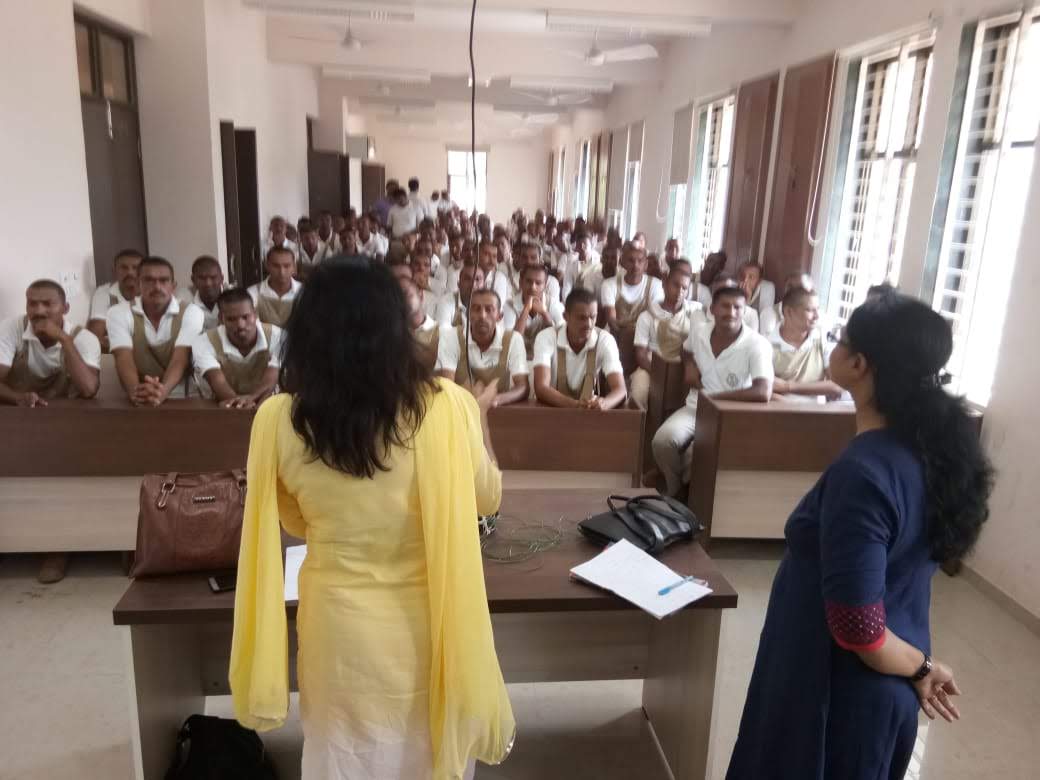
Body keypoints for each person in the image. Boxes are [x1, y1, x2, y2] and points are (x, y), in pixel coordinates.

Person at [230, 258, 515, 779]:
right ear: (396, 330)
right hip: (429, 627)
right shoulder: (448, 408)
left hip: (338, 635)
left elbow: (294, 520)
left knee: (344, 758)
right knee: (426, 754)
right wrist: (482, 420)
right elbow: (487, 499)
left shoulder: (278, 420)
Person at [726, 294, 993, 779]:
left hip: (836, 692)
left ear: (858, 364)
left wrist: (922, 668)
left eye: (840, 338)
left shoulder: (865, 473)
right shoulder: (931, 451)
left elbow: (857, 627)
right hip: (878, 676)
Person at [0, 281, 103, 583]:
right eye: (32, 304)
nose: (39, 311)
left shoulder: (83, 338)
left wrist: (64, 341)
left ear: (65, 308)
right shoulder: (11, 329)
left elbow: (88, 389)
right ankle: (16, 543)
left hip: (68, 426)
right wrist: (18, 398)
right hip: (21, 420)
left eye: (48, 304)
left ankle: (57, 549)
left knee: (62, 477)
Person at [652, 285, 773, 498]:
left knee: (697, 454)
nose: (732, 313)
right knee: (662, 442)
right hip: (694, 407)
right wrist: (689, 367)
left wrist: (715, 397)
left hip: (731, 416)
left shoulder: (757, 344)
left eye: (738, 307)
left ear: (745, 311)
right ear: (713, 309)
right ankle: (676, 489)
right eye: (725, 306)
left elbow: (763, 392)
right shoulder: (700, 331)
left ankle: (692, 496)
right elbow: (686, 350)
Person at [107, 256, 205, 405]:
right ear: (138, 284)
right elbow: (123, 358)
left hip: (184, 396)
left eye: (164, 280)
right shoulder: (118, 312)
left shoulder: (191, 312)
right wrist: (137, 393)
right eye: (149, 280)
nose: (157, 287)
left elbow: (181, 358)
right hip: (139, 396)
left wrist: (161, 393)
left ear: (173, 286)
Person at [532, 288, 627, 410]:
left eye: (593, 317)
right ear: (565, 316)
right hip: (550, 410)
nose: (588, 324)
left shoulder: (605, 340)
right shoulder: (546, 337)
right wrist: (575, 405)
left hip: (587, 413)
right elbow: (541, 388)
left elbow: (620, 389)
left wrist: (604, 403)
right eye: (582, 318)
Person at [436, 288, 529, 407]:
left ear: (499, 316)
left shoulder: (513, 339)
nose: (482, 316)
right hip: (460, 408)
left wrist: (496, 399)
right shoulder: (451, 337)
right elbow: (447, 385)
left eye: (489, 310)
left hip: (498, 410)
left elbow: (523, 387)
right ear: (468, 314)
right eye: (476, 309)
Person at [192, 289, 282, 408]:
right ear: (221, 318)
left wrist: (248, 402)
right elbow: (218, 383)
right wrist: (243, 404)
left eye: (245, 317)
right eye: (231, 319)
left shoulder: (278, 336)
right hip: (223, 408)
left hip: (266, 406)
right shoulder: (204, 341)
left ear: (255, 314)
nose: (240, 325)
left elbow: (271, 378)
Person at [629, 267, 699, 410]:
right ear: (665, 283)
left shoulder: (696, 314)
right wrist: (659, 372)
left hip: (685, 367)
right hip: (652, 365)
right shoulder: (647, 316)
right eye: (675, 285)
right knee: (638, 391)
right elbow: (641, 355)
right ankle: (641, 430)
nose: (680, 291)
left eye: (684, 288)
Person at [770, 287, 844, 401]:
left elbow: (837, 385)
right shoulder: (767, 344)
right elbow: (764, 389)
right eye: (810, 310)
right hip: (779, 413)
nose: (817, 316)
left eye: (817, 309)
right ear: (788, 312)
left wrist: (787, 386)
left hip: (816, 413)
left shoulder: (823, 338)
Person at [502, 263, 565, 361]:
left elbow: (561, 337)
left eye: (538, 283)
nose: (533, 287)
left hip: (545, 359)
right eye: (528, 281)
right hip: (518, 359)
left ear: (544, 286)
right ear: (521, 282)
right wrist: (526, 309)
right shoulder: (509, 304)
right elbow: (511, 342)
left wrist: (544, 313)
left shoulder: (552, 303)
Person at [600, 243, 665, 334]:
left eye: (640, 261)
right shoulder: (609, 284)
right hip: (615, 335)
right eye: (631, 260)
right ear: (622, 263)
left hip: (644, 336)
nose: (635, 265)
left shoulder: (656, 285)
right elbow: (612, 321)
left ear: (646, 264)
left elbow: (655, 318)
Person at [87, 249, 142, 352]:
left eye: (135, 268)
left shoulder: (153, 292)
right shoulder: (103, 292)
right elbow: (95, 337)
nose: (130, 272)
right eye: (124, 268)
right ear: (114, 271)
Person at [248, 247, 301, 328]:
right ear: (267, 265)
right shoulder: (253, 293)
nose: (281, 272)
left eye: (286, 266)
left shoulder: (304, 292)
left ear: (294, 267)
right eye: (276, 266)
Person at [401, 278, 441, 371]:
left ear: (420, 296)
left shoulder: (441, 333)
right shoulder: (394, 335)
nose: (401, 300)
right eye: (397, 297)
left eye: (405, 294)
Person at [175, 255, 224, 330]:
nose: (208, 283)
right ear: (193, 280)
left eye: (213, 277)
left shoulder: (234, 298)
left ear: (222, 278)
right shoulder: (183, 300)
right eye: (202, 278)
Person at [434, 261, 483, 328]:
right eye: (467, 279)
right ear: (458, 284)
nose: (473, 285)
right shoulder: (446, 301)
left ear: (484, 285)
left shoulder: (489, 306)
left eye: (477, 279)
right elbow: (444, 334)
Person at [561, 233, 602, 302]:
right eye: (580, 245)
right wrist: (567, 302)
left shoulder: (599, 263)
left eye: (585, 245)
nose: (583, 247)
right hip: (576, 299)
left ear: (591, 246)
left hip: (593, 300)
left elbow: (599, 289)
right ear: (576, 248)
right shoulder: (571, 264)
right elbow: (567, 286)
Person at [477, 240, 511, 305]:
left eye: (494, 256)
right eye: (486, 254)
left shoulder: (499, 278)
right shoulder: (469, 274)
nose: (491, 260)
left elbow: (497, 305)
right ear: (476, 255)